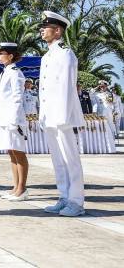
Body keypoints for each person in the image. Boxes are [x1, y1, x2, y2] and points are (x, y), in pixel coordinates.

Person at [38, 11, 86, 216]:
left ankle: (76, 202)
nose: (42, 30)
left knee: (70, 159)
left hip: (62, 116)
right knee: (58, 160)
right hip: (50, 116)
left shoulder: (66, 53)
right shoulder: (47, 56)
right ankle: (64, 196)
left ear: (57, 31)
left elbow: (67, 86)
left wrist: (64, 116)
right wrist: (43, 115)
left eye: (46, 27)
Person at [0, 42, 30, 201]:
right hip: (4, 118)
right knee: (11, 153)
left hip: (13, 119)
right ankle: (16, 186)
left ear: (10, 56)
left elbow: (17, 97)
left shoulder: (15, 73)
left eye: (1, 53)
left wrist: (14, 120)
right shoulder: (5, 72)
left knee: (19, 153)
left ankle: (22, 189)